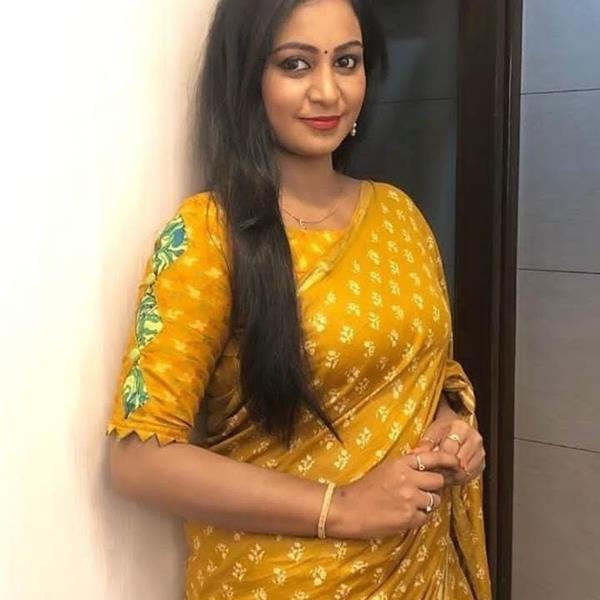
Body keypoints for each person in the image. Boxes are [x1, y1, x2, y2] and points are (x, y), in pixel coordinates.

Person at [106, 0, 491, 598]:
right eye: (295, 64)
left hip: (416, 570)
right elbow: (137, 459)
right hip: (279, 582)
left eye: (347, 62)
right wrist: (343, 507)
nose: (328, 91)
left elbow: (426, 371)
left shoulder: (400, 216)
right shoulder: (207, 235)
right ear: (247, 78)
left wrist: (451, 425)